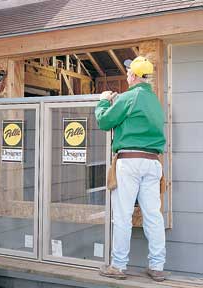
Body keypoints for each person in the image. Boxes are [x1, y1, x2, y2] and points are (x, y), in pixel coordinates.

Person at [95, 56, 166, 282]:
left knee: (123, 215)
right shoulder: (155, 101)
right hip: (153, 162)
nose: (127, 74)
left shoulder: (129, 97)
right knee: (153, 216)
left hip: (130, 161)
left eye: (128, 72)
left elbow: (105, 122)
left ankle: (118, 266)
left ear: (134, 76)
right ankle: (157, 266)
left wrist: (104, 102)